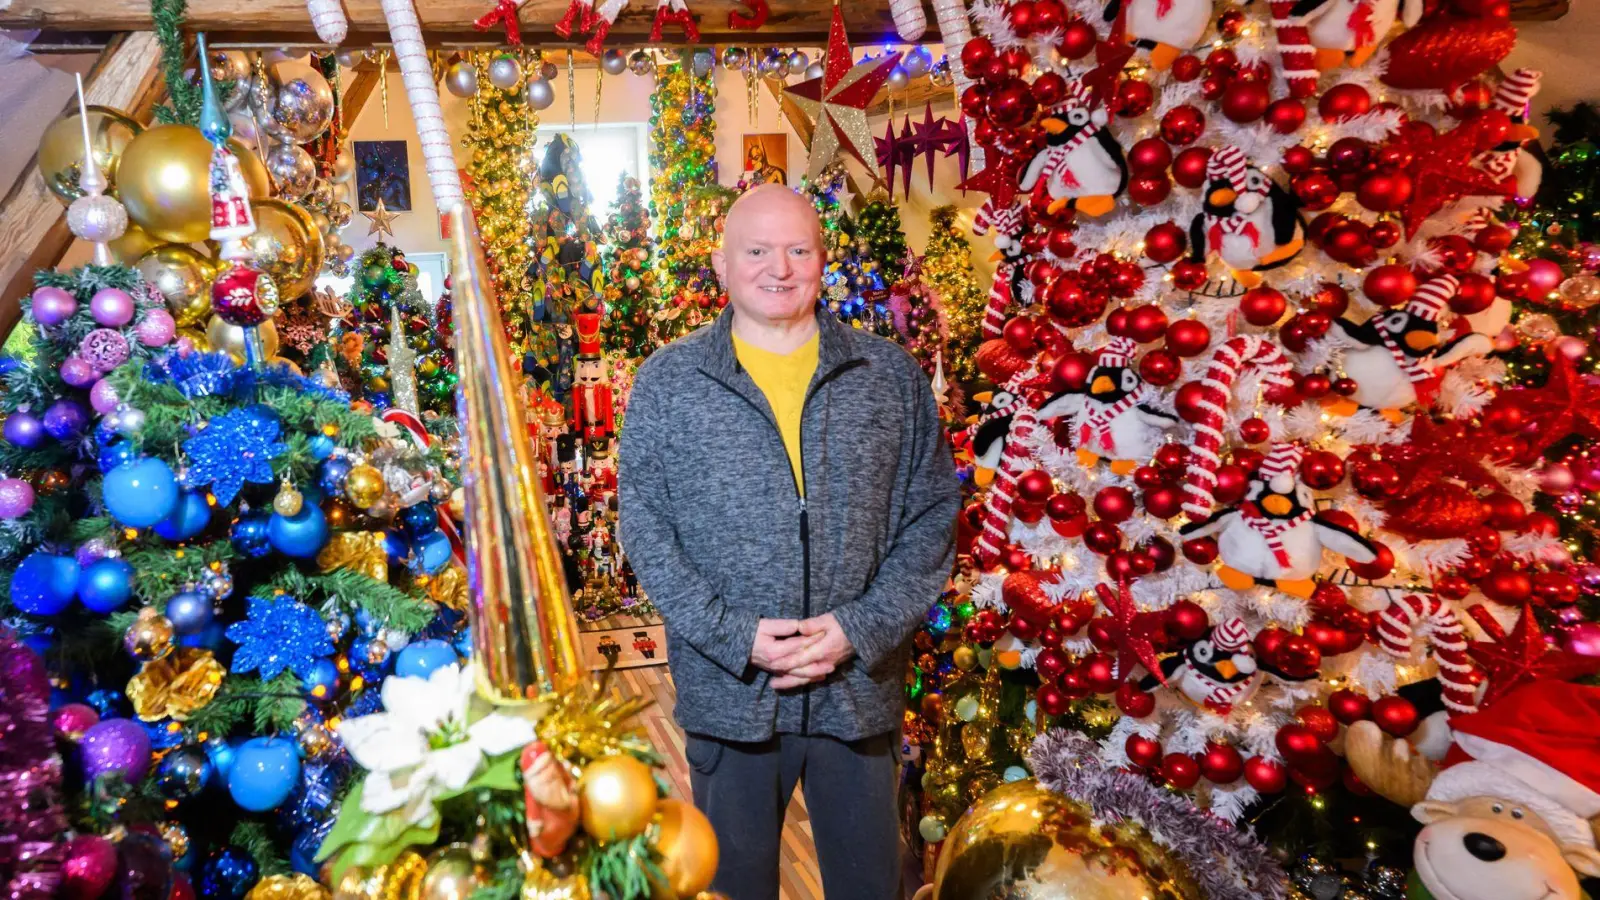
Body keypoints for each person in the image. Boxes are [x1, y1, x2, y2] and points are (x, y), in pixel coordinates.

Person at [619, 185, 960, 900]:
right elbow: (645, 526)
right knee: (734, 889)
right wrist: (733, 635)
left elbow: (932, 517)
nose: (780, 268)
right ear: (721, 263)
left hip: (858, 692)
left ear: (821, 259)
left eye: (798, 249)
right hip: (731, 696)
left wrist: (856, 629)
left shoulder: (887, 375)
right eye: (757, 250)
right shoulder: (670, 381)